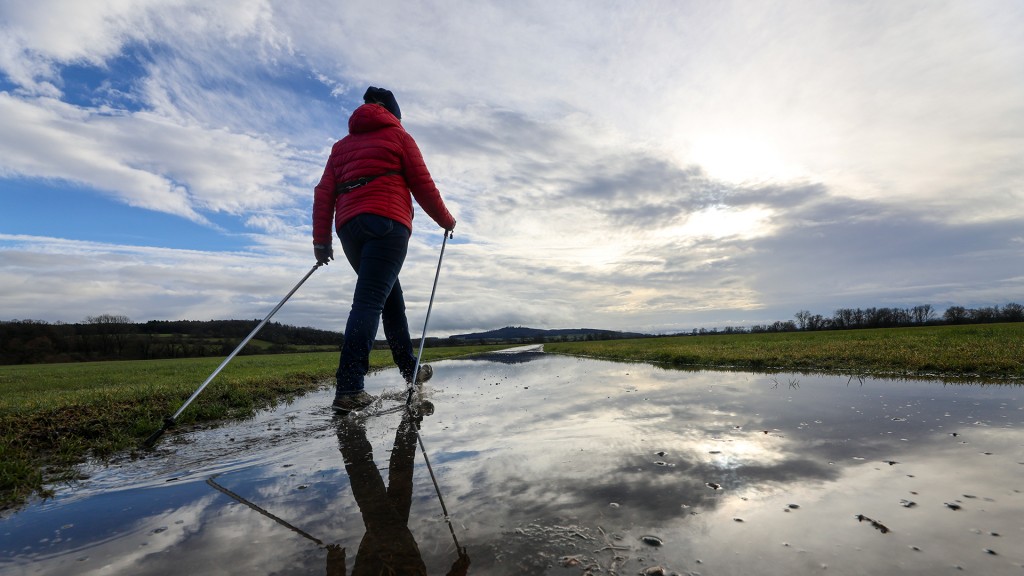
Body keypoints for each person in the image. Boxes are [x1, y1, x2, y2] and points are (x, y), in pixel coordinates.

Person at [312, 86, 456, 414]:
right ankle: (349, 387)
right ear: (393, 113)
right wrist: (446, 220)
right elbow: (423, 184)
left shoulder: (340, 147)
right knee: (369, 302)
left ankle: (412, 371)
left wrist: (321, 242)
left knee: (391, 302)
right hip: (387, 224)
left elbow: (324, 193)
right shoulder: (399, 137)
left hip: (350, 229)